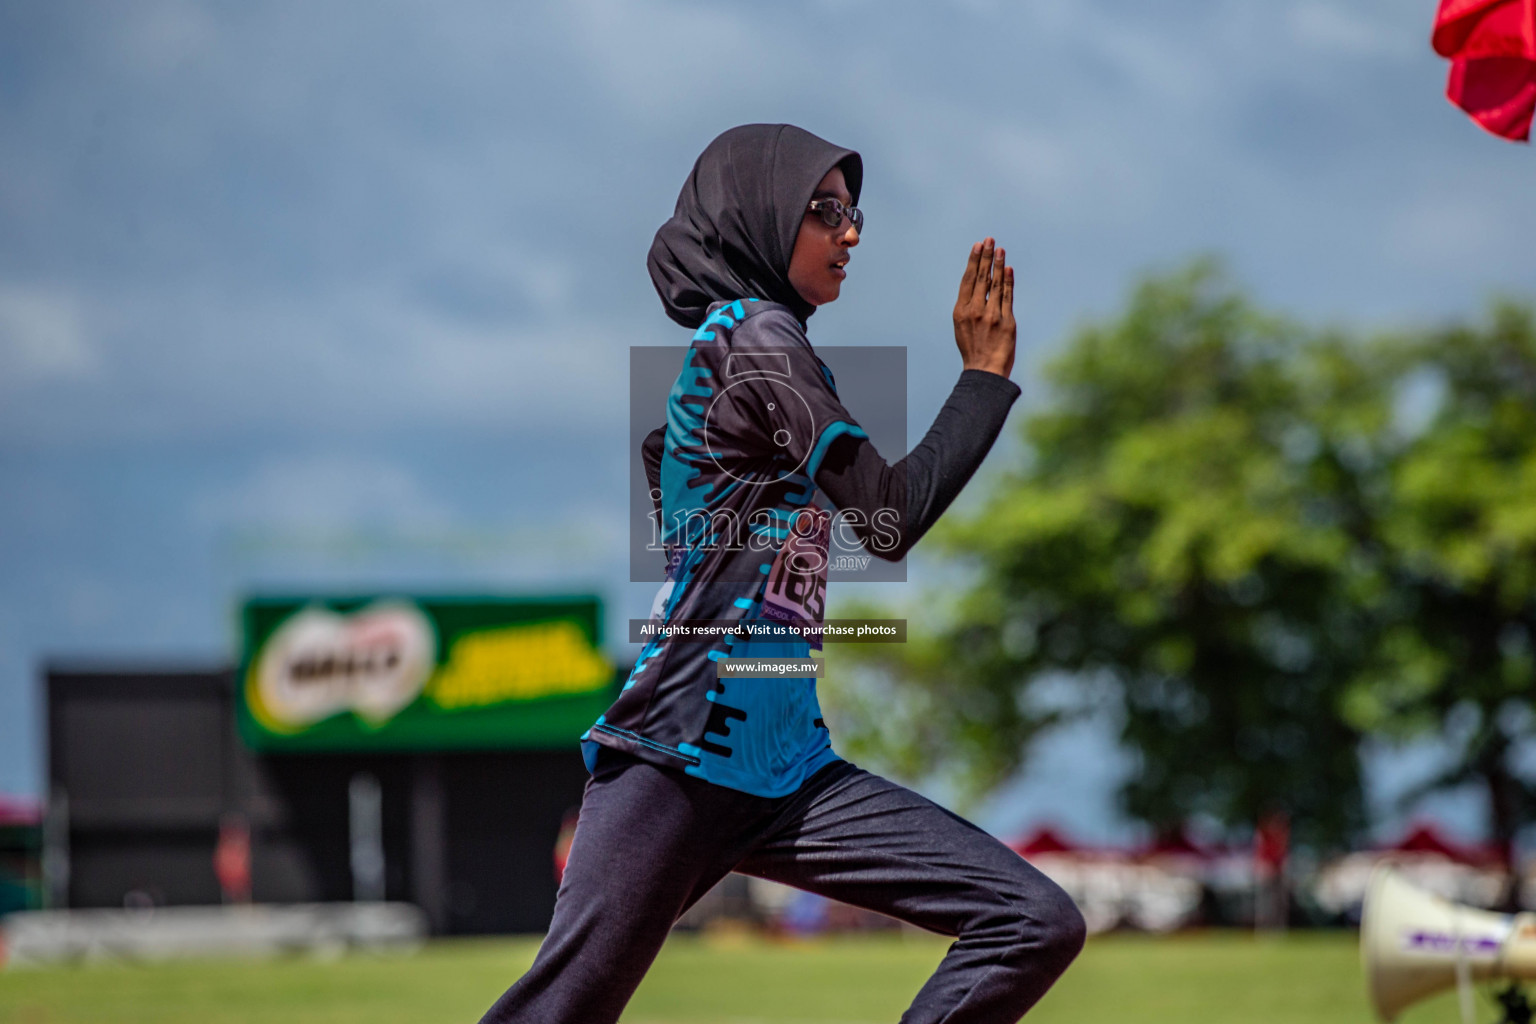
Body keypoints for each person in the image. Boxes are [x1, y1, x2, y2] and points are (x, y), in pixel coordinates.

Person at [478, 123, 1085, 1024]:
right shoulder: (755, 337)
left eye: (853, 213)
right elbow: (887, 517)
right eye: (825, 211)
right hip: (675, 763)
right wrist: (985, 378)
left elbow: (689, 485)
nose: (850, 233)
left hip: (788, 773)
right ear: (758, 218)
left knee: (1030, 919)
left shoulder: (758, 354)